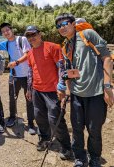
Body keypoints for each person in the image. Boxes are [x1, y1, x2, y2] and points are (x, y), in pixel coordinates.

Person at [55, 13, 113, 167]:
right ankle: (80, 158)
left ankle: (94, 158)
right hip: (76, 95)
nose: (62, 27)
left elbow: (107, 58)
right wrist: (67, 91)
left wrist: (107, 86)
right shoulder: (66, 46)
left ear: (73, 23)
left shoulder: (88, 34)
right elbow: (70, 71)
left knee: (94, 130)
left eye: (64, 23)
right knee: (77, 129)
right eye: (58, 26)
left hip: (96, 93)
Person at [24, 25, 72, 160]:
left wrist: (61, 86)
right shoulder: (30, 53)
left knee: (55, 119)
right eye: (29, 36)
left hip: (52, 91)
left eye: (34, 34)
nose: (32, 38)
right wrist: (29, 89)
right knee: (39, 116)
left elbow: (61, 67)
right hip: (36, 90)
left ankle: (66, 147)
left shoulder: (52, 47)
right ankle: (45, 138)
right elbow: (30, 72)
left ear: (40, 34)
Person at [0, 22, 36, 135]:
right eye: (3, 31)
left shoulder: (22, 39)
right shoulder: (5, 43)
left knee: (29, 99)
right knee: (12, 98)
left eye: (7, 30)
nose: (6, 32)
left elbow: (28, 54)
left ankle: (31, 123)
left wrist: (16, 62)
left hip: (27, 75)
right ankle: (12, 117)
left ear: (12, 30)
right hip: (14, 75)